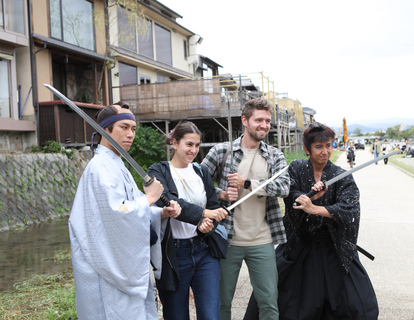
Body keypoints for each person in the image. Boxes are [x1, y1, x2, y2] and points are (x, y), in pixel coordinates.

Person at [245, 122, 378, 319]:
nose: (325, 151)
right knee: (282, 299)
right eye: (318, 146)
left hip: (333, 246)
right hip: (299, 245)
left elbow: (349, 207)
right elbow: (289, 192)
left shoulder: (341, 175)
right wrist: (307, 198)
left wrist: (314, 208)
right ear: (307, 149)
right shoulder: (297, 168)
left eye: (329, 146)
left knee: (356, 303)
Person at [69, 102, 180, 319]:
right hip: (105, 268)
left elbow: (130, 205)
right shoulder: (99, 168)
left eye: (133, 129)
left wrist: (159, 212)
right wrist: (149, 198)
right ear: (105, 129)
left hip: (121, 262)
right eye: (124, 127)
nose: (131, 134)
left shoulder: (117, 164)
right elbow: (116, 212)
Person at [202, 98, 290, 320]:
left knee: (269, 304)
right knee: (221, 303)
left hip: (262, 239)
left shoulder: (274, 155)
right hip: (226, 240)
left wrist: (247, 183)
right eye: (258, 120)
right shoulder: (221, 151)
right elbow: (197, 186)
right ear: (245, 121)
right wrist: (220, 194)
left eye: (268, 121)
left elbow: (284, 187)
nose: (264, 125)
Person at [147, 121, 229, 320]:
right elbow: (167, 200)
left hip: (204, 251)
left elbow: (211, 205)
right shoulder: (158, 170)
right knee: (176, 315)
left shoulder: (201, 171)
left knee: (211, 315)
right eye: (189, 144)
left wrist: (205, 224)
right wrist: (205, 214)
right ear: (174, 143)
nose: (194, 150)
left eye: (197, 145)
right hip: (173, 254)